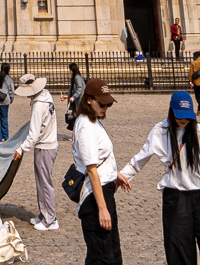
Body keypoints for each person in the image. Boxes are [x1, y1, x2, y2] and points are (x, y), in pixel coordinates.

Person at [119, 91, 200, 265]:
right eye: (179, 116)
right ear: (171, 111)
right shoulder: (160, 131)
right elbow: (140, 158)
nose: (183, 120)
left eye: (187, 116)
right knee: (179, 253)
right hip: (175, 199)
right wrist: (122, 176)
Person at [72, 79, 130, 265]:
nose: (105, 107)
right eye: (102, 103)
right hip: (95, 197)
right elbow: (91, 170)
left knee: (111, 253)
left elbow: (102, 158)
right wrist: (103, 209)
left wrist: (115, 174)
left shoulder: (93, 121)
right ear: (88, 100)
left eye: (109, 104)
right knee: (102, 256)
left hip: (104, 190)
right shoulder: (86, 127)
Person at [13, 74, 59, 231]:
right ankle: (44, 213)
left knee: (45, 183)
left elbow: (33, 134)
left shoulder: (39, 105)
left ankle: (50, 219)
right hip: (49, 143)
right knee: (41, 181)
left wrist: (21, 149)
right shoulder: (47, 96)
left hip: (45, 146)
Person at [0, 62, 15, 142]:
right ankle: (5, 136)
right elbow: (11, 91)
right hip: (5, 101)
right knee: (4, 118)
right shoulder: (9, 79)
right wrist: (10, 99)